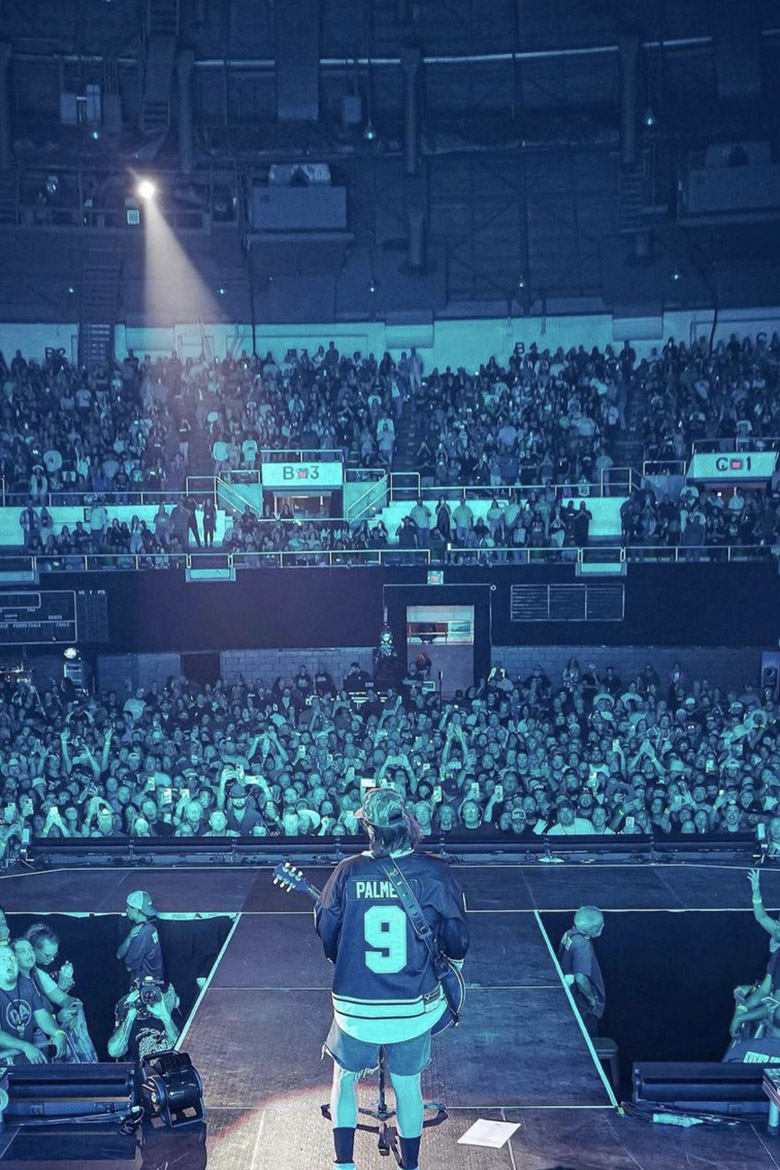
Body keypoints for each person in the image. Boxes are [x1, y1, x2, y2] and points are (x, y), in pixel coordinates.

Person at [314, 786, 469, 1170]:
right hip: (412, 1008)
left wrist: (343, 958)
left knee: (343, 1079)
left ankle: (344, 1164)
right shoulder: (436, 872)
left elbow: (326, 931)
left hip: (356, 1010)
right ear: (408, 824)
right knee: (408, 1087)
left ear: (370, 829)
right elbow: (457, 938)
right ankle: (410, 1165)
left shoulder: (348, 871)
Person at [0, 946, 67, 1064]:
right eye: (3, 959)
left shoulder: (26, 985)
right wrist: (25, 1046)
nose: (9, 962)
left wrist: (58, 1032)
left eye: (12, 958)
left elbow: (42, 1016)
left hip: (23, 1057)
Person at [557, 906, 605, 1036]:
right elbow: (581, 978)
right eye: (600, 925)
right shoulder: (583, 946)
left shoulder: (569, 934)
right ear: (592, 929)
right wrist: (592, 1000)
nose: (602, 926)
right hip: (582, 1004)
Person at [107, 977, 180, 1061]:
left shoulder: (184, 1023)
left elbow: (180, 1048)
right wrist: (130, 1017)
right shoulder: (136, 1023)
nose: (163, 998)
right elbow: (114, 1052)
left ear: (177, 1001)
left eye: (167, 993)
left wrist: (165, 1017)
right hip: (143, 1069)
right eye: (159, 992)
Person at [117, 890, 165, 987]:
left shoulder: (141, 933)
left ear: (136, 909)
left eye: (128, 907)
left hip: (144, 985)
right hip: (153, 981)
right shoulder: (149, 927)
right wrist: (129, 937)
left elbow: (129, 966)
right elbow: (119, 954)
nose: (126, 910)